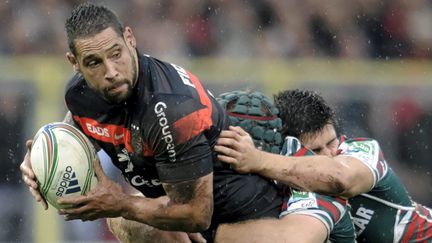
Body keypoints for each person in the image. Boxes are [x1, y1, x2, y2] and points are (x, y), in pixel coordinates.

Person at [18, 3, 285, 242]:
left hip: (245, 219)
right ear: (74, 63)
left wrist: (120, 203)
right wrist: (42, 158)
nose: (111, 72)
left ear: (130, 39)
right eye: (94, 62)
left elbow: (197, 214)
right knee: (128, 220)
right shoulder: (81, 94)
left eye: (116, 54)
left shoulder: (170, 109)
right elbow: (77, 129)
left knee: (129, 217)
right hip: (189, 219)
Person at [215, 89, 432, 242]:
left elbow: (340, 178)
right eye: (316, 150)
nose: (329, 155)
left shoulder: (361, 152)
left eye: (331, 142)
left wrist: (257, 159)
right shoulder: (288, 177)